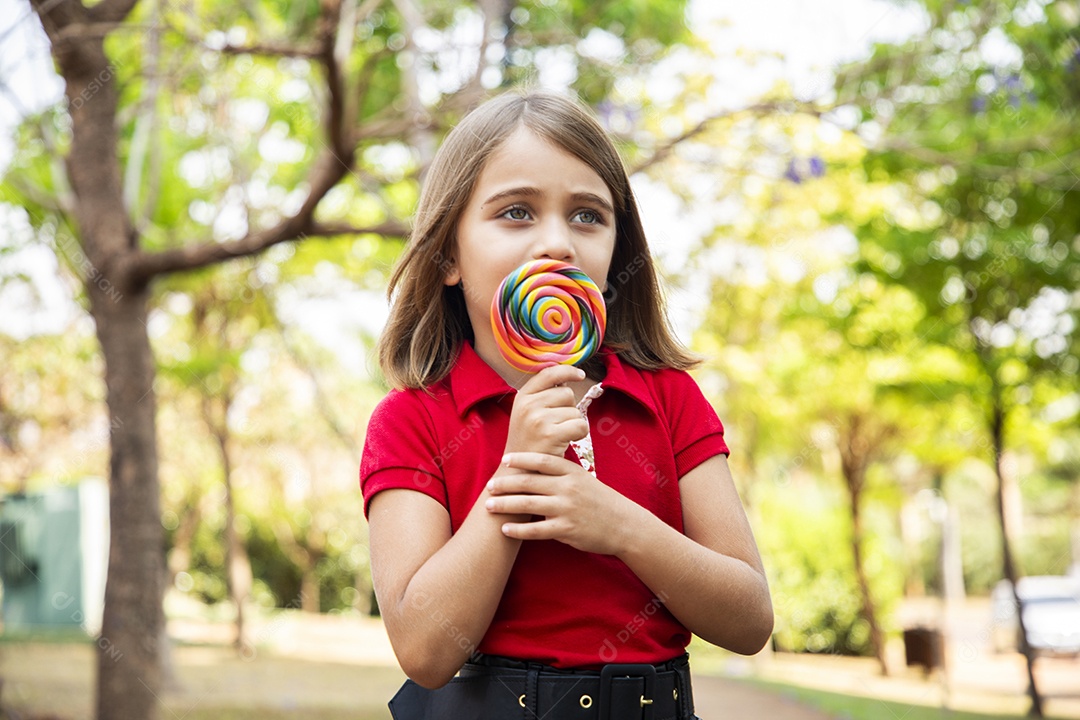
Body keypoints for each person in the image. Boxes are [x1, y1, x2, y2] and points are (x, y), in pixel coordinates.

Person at [360, 89, 772, 720]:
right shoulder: (413, 421)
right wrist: (517, 469)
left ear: (614, 255)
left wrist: (620, 526)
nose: (558, 242)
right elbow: (424, 650)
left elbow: (749, 621)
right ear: (447, 254)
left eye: (588, 215)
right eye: (517, 212)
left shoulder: (667, 400)